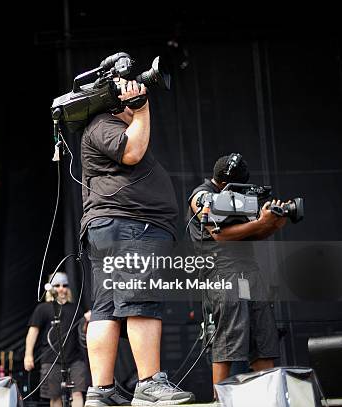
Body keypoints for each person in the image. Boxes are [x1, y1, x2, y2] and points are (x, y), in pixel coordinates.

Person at [81, 78, 194, 406]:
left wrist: (139, 113)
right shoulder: (103, 123)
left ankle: (101, 392)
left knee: (106, 309)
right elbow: (131, 151)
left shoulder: (102, 126)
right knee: (139, 300)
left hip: (116, 226)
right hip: (130, 224)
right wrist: (141, 110)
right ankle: (148, 384)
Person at [187, 154, 285, 399]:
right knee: (228, 340)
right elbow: (219, 234)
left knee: (264, 340)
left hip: (249, 271)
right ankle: (220, 401)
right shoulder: (202, 195)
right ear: (221, 182)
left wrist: (272, 223)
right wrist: (261, 222)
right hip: (223, 272)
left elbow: (251, 235)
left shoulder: (242, 198)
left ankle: (267, 400)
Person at [24, 272, 89, 407]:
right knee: (55, 395)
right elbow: (33, 331)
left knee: (77, 393)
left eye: (64, 285)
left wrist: (87, 321)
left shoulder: (76, 308)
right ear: (51, 288)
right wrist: (28, 355)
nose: (61, 288)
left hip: (75, 358)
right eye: (57, 285)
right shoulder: (43, 308)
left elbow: (83, 333)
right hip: (51, 358)